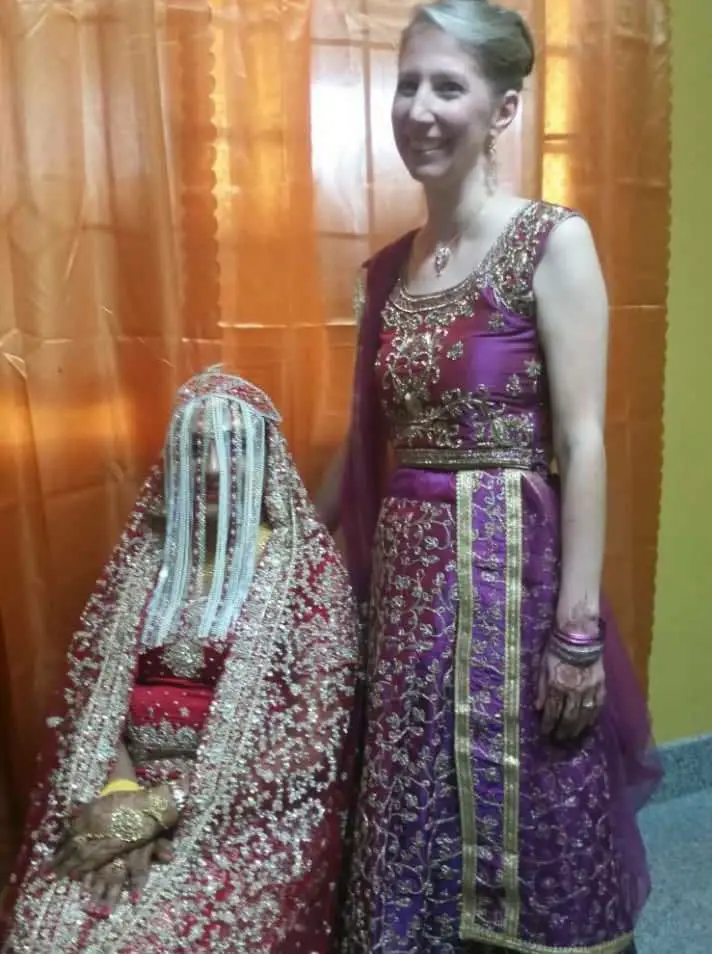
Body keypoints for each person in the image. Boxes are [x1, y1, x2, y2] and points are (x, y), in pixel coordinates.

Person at [316, 2, 662, 952]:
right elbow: (368, 437)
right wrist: (293, 540)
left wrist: (578, 633)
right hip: (409, 583)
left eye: (448, 86)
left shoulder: (552, 243)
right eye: (407, 84)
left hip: (516, 567)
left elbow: (584, 440)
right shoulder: (385, 272)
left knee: (532, 789)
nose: (419, 109)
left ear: (504, 109)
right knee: (415, 795)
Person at [1, 367, 361, 953]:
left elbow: (310, 746)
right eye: (196, 450)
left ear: (268, 461)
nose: (214, 467)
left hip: (247, 815)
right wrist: (121, 798)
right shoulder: (149, 562)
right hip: (125, 789)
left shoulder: (308, 578)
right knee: (44, 931)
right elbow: (96, 702)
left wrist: (164, 808)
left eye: (234, 447)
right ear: (173, 464)